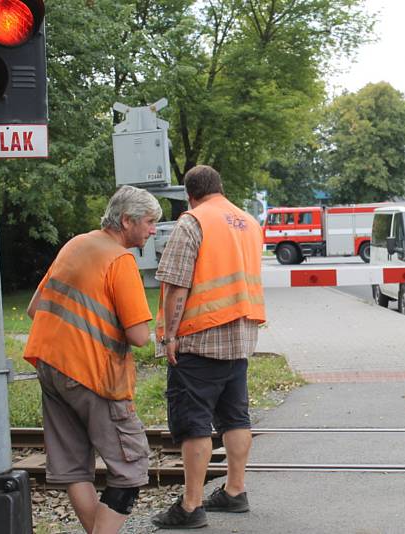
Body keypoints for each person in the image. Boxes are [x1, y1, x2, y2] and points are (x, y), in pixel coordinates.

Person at [23, 186, 162, 533]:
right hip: (91, 374)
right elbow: (139, 336)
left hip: (50, 365)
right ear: (127, 221)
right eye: (149, 222)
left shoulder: (76, 244)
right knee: (131, 470)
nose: (153, 230)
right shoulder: (119, 260)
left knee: (73, 467)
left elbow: (32, 309)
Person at [151, 165, 266, 529]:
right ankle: (235, 491)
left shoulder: (193, 221)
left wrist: (170, 336)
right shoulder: (247, 221)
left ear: (190, 194)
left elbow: (177, 284)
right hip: (242, 333)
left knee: (194, 421)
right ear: (220, 188)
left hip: (200, 335)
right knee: (236, 416)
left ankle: (191, 505)